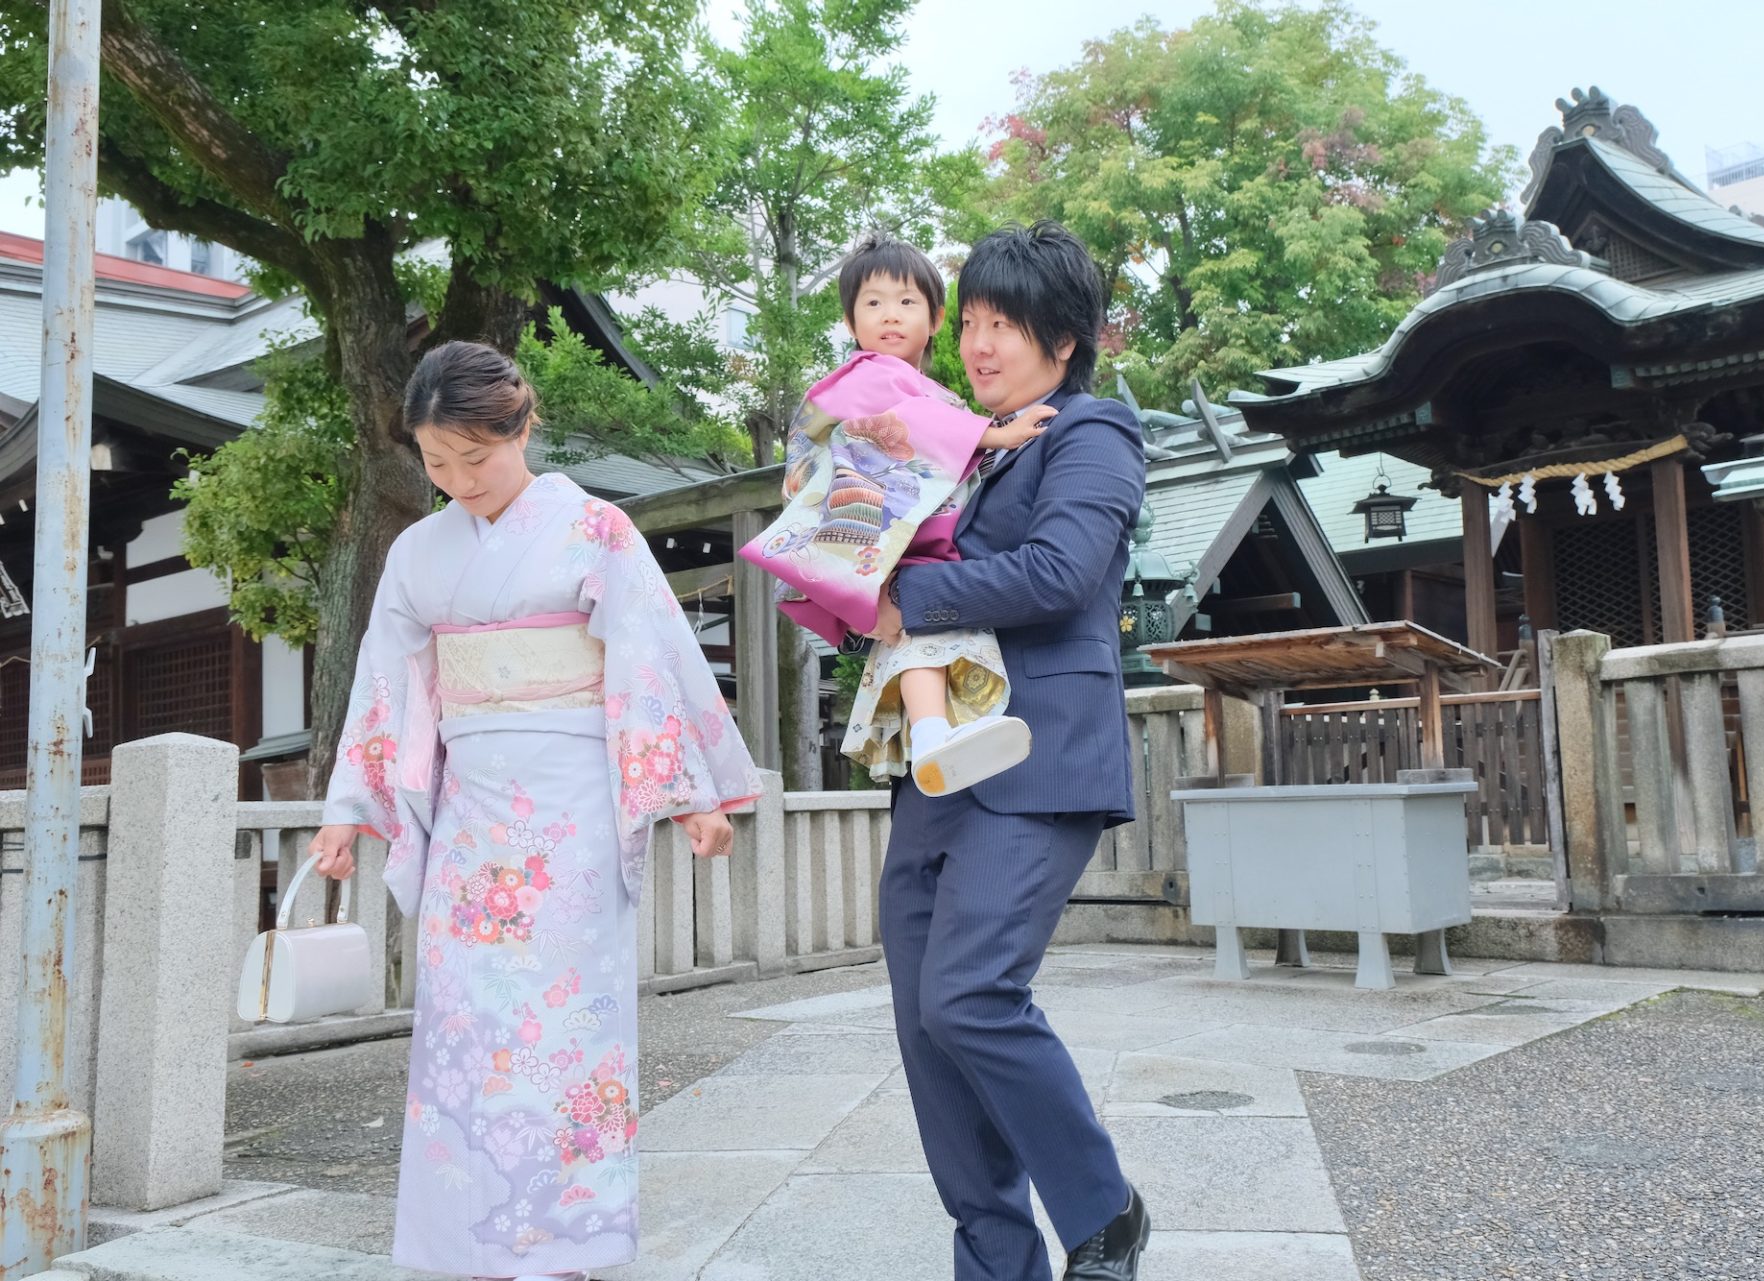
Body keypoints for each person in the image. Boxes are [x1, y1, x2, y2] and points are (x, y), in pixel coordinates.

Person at [305, 342, 761, 1281]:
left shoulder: (594, 530)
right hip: (469, 820)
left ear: (524, 428)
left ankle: (569, 1242)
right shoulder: (415, 554)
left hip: (573, 815)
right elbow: (386, 683)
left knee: (566, 1029)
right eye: (438, 463)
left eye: (478, 457)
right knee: (463, 1027)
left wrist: (689, 795)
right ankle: (466, 1238)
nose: (459, 481)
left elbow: (647, 660)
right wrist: (350, 806)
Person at [866, 221, 1151, 1281]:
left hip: (1039, 759)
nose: (978, 344)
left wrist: (909, 596)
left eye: (1005, 325)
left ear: (1063, 340)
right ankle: (995, 1266)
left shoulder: (1094, 432)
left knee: (970, 995)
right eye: (971, 322)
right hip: (939, 766)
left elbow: (1062, 571)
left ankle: (1102, 1207)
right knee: (928, 1034)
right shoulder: (966, 449)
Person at [741, 233, 1057, 795]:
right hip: (872, 523)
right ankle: (936, 734)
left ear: (936, 318)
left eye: (907, 302)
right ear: (849, 320)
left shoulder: (919, 387)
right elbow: (915, 429)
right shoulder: (870, 376)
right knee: (918, 627)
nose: (891, 316)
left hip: (891, 531)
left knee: (919, 635)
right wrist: (995, 433)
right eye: (873, 302)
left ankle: (937, 735)